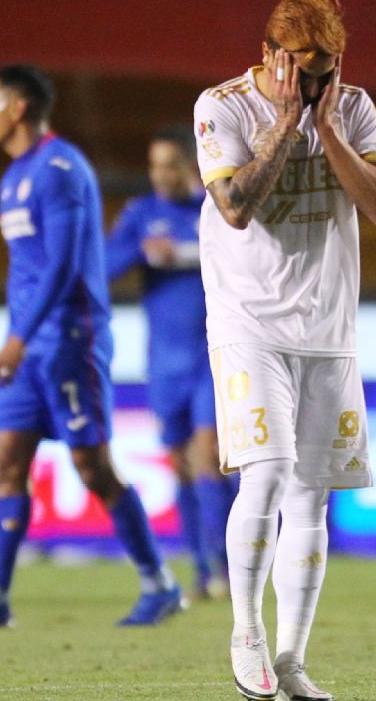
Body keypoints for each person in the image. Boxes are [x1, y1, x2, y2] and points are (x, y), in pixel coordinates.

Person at [193, 0, 376, 701]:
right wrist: (286, 121)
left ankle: (291, 659)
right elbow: (237, 206)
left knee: (315, 495)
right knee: (270, 472)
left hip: (329, 327)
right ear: (272, 57)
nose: (318, 87)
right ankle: (245, 626)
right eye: (307, 73)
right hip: (250, 323)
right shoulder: (221, 107)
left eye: (329, 71)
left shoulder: (354, 107)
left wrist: (329, 129)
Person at [0, 65, 184, 629]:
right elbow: (26, 269)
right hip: (24, 345)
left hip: (70, 338)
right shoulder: (13, 176)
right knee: (7, 462)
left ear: (18, 107)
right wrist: (16, 335)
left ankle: (159, 583)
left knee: (92, 466)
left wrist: (19, 337)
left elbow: (66, 265)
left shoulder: (61, 169)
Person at [106, 125, 234, 601]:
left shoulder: (216, 210)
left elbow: (242, 260)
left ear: (192, 166)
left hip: (211, 356)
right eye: (154, 165)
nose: (160, 175)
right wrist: (139, 251)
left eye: (170, 166)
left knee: (209, 455)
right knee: (181, 465)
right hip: (164, 363)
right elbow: (102, 266)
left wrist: (180, 254)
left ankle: (226, 568)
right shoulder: (141, 215)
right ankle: (202, 570)